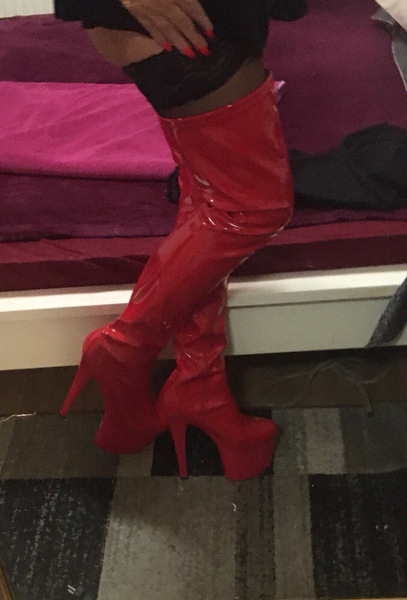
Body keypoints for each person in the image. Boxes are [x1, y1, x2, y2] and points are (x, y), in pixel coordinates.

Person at [55, 0, 307, 481]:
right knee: (252, 208)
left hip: (204, 20)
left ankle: (200, 386)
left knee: (208, 198)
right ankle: (124, 348)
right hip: (180, 20)